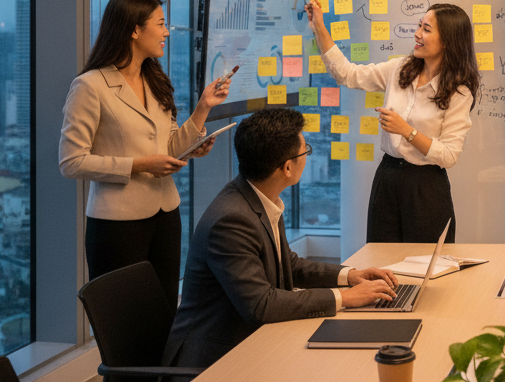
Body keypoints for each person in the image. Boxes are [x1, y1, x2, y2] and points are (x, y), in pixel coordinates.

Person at [164, 108, 399, 367]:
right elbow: (261, 305)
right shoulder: (231, 220)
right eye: (305, 150)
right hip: (215, 360)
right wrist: (344, 297)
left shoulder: (258, 196)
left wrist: (350, 276)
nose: (307, 156)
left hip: (252, 342)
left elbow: (288, 263)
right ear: (287, 167)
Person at [59, 0, 229, 307]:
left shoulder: (155, 80)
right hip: (117, 225)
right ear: (134, 30)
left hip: (166, 215)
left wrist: (203, 109)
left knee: (164, 313)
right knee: (126, 319)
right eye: (160, 23)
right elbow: (71, 161)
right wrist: (140, 165)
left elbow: (170, 146)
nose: (166, 32)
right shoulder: (90, 86)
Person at [305, 0, 479, 243]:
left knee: (424, 266)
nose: (417, 34)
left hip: (426, 186)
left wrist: (407, 131)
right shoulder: (399, 69)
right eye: (419, 25)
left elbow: (449, 155)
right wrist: (320, 28)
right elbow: (347, 74)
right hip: (387, 177)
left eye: (427, 29)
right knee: (382, 262)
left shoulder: (459, 92)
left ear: (448, 41)